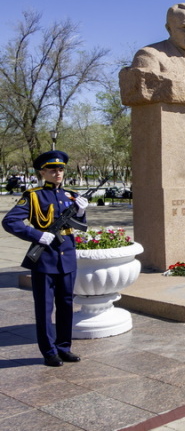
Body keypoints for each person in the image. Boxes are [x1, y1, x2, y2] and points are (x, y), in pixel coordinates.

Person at [2, 151, 88, 367]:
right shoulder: (33, 195)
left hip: (67, 256)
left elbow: (80, 225)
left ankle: (64, 347)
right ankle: (49, 352)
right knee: (45, 307)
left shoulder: (71, 195)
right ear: (43, 173)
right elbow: (10, 221)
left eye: (60, 169)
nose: (57, 173)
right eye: (52, 169)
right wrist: (37, 234)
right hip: (45, 258)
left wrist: (80, 213)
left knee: (66, 304)